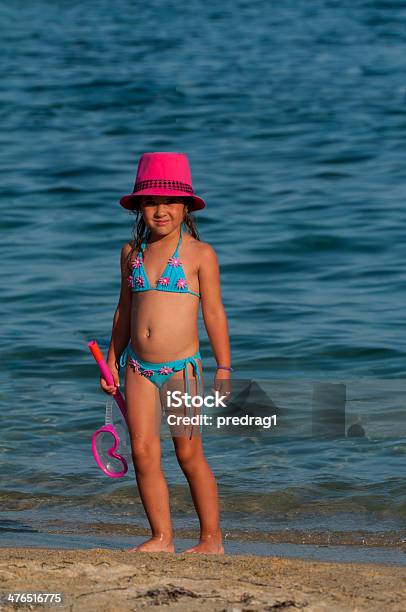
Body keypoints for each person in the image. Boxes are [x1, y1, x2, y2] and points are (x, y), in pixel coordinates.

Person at [100, 152, 232, 554]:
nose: (161, 210)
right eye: (151, 202)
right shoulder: (131, 253)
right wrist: (111, 359)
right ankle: (162, 537)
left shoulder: (199, 254)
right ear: (139, 206)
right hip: (138, 367)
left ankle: (211, 539)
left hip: (182, 370)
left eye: (170, 202)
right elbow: (124, 309)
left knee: (188, 452)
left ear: (186, 207)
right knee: (141, 451)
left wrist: (224, 367)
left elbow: (213, 311)